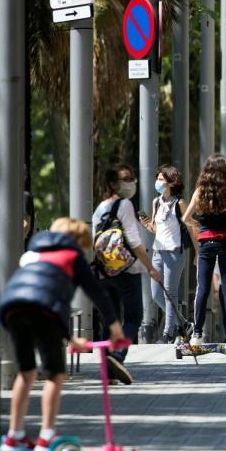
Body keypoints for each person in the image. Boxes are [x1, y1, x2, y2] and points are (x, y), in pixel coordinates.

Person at [0, 218, 126, 451]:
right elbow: (96, 293)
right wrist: (116, 329)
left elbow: (34, 290)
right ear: (77, 241)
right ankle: (46, 436)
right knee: (55, 375)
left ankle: (14, 436)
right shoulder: (72, 255)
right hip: (45, 311)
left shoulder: (32, 253)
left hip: (12, 309)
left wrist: (70, 338)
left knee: (26, 373)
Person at [93, 164, 162, 383]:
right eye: (125, 179)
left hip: (106, 270)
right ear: (113, 184)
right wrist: (150, 267)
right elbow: (134, 241)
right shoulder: (125, 205)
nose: (131, 182)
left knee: (111, 318)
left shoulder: (100, 208)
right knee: (134, 316)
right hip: (128, 269)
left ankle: (106, 371)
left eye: (132, 178)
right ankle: (117, 356)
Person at [183, 153, 226, 346]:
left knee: (203, 287)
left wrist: (201, 225)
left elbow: (185, 218)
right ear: (225, 171)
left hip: (205, 244)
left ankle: (197, 334)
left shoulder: (200, 192)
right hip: (225, 241)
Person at [140, 165, 196, 344]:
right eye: (157, 178)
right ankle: (183, 322)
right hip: (158, 251)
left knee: (170, 294)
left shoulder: (180, 203)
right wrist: (147, 225)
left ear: (172, 182)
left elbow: (191, 228)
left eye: (162, 179)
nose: (158, 182)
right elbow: (158, 230)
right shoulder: (156, 202)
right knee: (156, 293)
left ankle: (168, 334)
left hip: (174, 253)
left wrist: (198, 253)